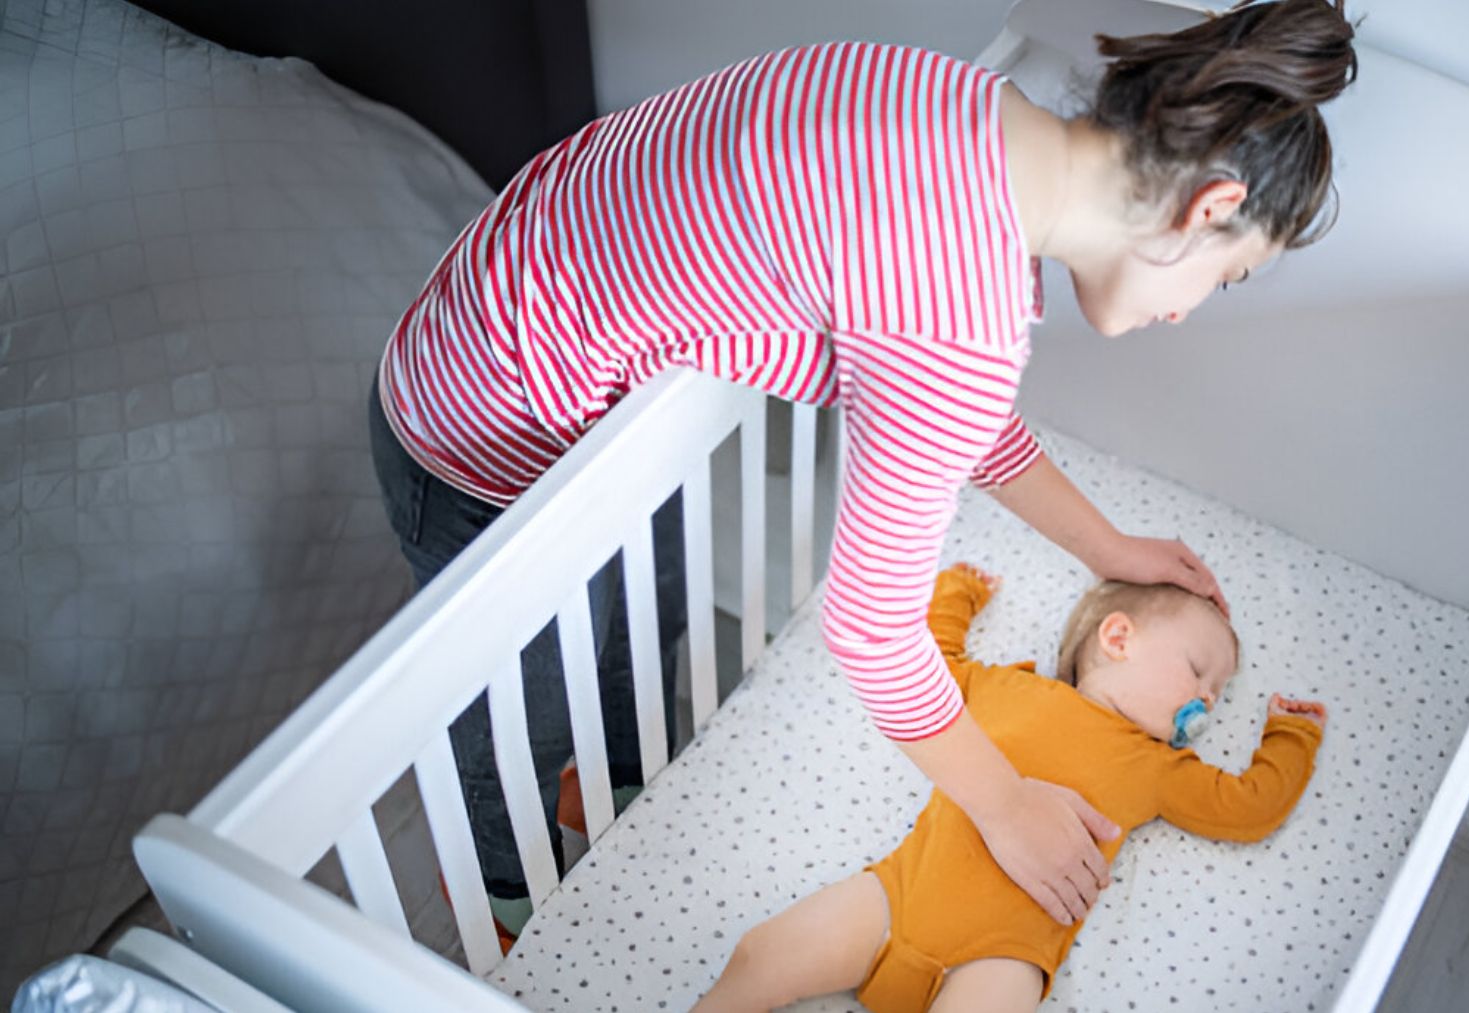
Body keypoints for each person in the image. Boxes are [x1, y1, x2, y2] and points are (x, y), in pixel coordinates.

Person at [367, 0, 1357, 929]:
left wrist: (1105, 544)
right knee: (521, 713)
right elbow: (874, 631)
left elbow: (947, 407)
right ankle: (510, 897)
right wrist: (1006, 804)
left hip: (504, 295)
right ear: (1208, 205)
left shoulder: (961, 107)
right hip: (479, 433)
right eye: (1221, 279)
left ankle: (617, 794)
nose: (1183, 310)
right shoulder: (962, 313)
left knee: (644, 624)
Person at [694, 563, 1329, 1011]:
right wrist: (957, 592)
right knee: (762, 955)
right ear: (1117, 637)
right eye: (1198, 672)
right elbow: (931, 665)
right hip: (896, 898)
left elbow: (1248, 807)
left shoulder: (1158, 767)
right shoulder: (1011, 689)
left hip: (1000, 957)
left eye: (1217, 695)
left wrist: (1288, 738)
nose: (1207, 701)